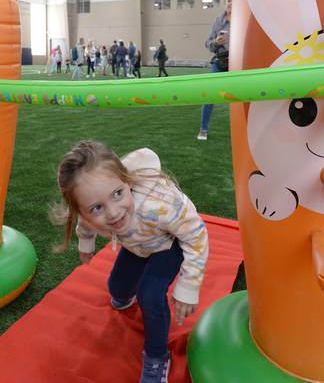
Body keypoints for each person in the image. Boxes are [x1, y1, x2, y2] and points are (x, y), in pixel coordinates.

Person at [54, 141, 209, 383]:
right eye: (97, 208)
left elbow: (196, 235)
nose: (114, 212)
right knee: (117, 290)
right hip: (136, 243)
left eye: (118, 194)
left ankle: (157, 358)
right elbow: (84, 223)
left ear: (126, 181)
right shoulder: (89, 210)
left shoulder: (159, 206)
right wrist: (86, 243)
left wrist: (188, 286)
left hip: (168, 243)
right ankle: (126, 291)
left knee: (150, 295)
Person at [197, 0, 232, 140]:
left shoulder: (244, 19)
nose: (232, 2)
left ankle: (246, 128)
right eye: (229, 0)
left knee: (244, 95)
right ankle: (203, 129)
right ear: (225, 3)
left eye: (236, 0)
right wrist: (216, 42)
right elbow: (208, 44)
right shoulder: (218, 20)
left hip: (239, 64)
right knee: (209, 95)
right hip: (220, 61)